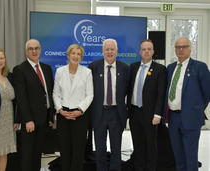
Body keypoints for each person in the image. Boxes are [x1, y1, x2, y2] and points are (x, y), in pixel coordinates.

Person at [165, 37, 210, 171]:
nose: (180, 49)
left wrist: (197, 109)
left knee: (190, 155)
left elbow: (207, 93)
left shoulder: (200, 67)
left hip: (191, 118)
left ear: (190, 48)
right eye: (178, 47)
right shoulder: (170, 68)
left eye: (184, 46)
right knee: (177, 155)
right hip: (173, 118)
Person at [13, 39, 55, 171]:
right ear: (26, 51)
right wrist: (27, 119)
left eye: (36, 48)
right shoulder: (20, 69)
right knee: (27, 154)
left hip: (44, 120)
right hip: (30, 121)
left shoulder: (47, 69)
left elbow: (49, 94)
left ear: (40, 50)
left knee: (38, 153)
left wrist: (50, 117)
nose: (34, 51)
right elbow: (21, 98)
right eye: (31, 49)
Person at [89, 38, 129, 171]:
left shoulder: (125, 68)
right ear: (102, 51)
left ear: (117, 51)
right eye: (107, 49)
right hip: (99, 113)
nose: (110, 52)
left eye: (112, 49)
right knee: (100, 148)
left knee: (116, 148)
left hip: (117, 113)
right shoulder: (94, 67)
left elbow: (129, 90)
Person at [127, 39, 166, 171]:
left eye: (149, 49)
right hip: (134, 113)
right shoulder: (133, 67)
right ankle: (139, 168)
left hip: (150, 114)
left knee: (150, 145)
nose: (146, 51)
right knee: (137, 145)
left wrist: (158, 114)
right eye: (144, 49)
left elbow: (161, 94)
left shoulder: (160, 69)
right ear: (140, 52)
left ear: (153, 51)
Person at [53, 44, 93, 171]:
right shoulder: (60, 71)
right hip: (63, 114)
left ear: (81, 57)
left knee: (78, 149)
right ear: (68, 55)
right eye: (73, 53)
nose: (75, 56)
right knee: (64, 149)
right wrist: (60, 109)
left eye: (78, 54)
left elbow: (90, 95)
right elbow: (55, 93)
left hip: (80, 115)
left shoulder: (87, 72)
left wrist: (79, 110)